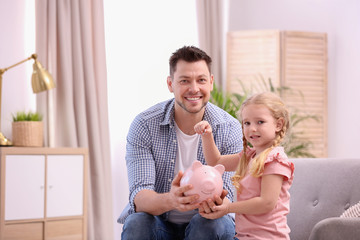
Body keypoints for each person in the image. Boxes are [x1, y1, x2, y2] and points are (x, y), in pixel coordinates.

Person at [118, 46, 243, 240]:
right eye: (184, 81)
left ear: (210, 82)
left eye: (201, 80)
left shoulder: (230, 128)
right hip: (160, 223)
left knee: (209, 225)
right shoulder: (144, 125)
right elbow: (139, 197)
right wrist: (172, 200)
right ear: (170, 84)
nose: (194, 89)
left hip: (207, 222)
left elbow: (229, 196)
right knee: (137, 223)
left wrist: (215, 200)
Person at [194, 92, 295, 240]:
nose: (252, 128)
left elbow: (266, 203)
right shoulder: (249, 156)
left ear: (278, 125)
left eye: (260, 122)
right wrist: (207, 136)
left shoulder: (275, 159)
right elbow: (215, 162)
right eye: (247, 123)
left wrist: (228, 208)